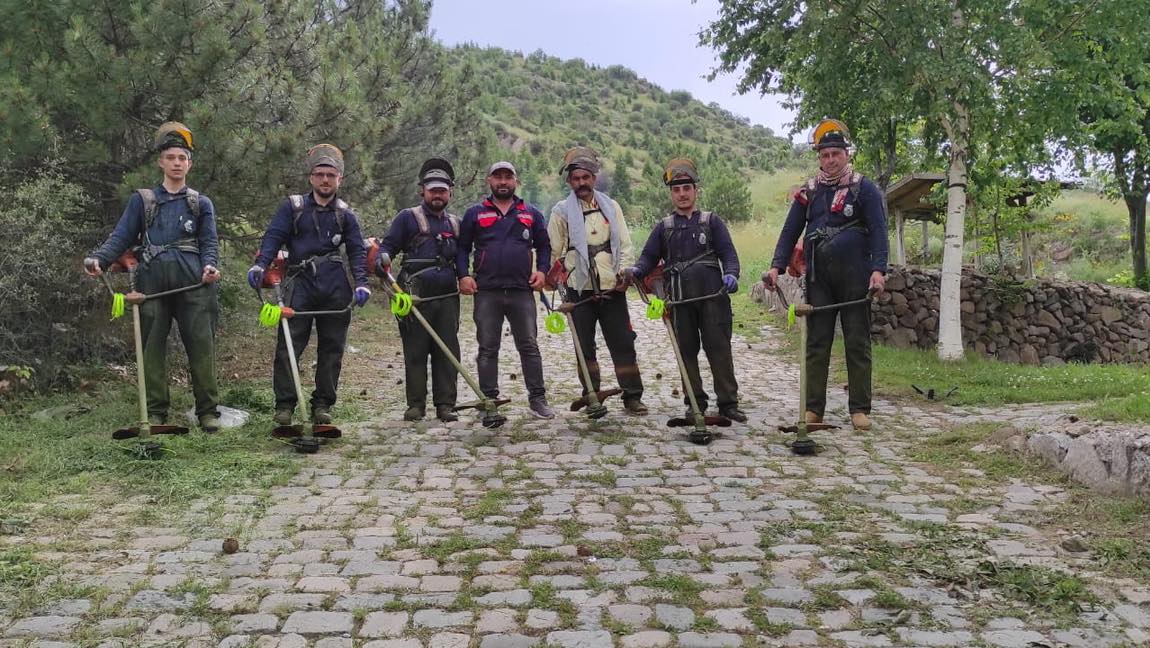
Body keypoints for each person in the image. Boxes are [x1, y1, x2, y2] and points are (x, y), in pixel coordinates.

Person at [84, 122, 222, 432]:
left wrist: (210, 266)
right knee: (151, 349)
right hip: (151, 283)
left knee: (201, 347)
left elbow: (210, 244)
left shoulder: (201, 203)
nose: (176, 163)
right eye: (171, 157)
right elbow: (120, 237)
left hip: (194, 284)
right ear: (160, 162)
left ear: (189, 163)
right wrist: (100, 259)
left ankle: (208, 412)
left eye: (182, 158)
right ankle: (156, 412)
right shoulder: (143, 200)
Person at [762, 121, 888, 431]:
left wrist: (878, 270)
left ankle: (859, 409)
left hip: (855, 275)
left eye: (835, 154)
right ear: (819, 157)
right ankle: (813, 409)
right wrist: (776, 266)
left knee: (857, 341)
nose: (830, 160)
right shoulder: (810, 191)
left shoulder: (864, 188)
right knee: (817, 342)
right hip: (819, 277)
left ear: (846, 154)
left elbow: (879, 231)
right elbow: (791, 230)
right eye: (824, 155)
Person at [248, 144, 370, 426]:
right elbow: (273, 237)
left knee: (332, 347)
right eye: (320, 174)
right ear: (311, 177)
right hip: (298, 283)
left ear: (339, 178)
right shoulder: (293, 208)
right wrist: (260, 264)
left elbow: (357, 251)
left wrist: (362, 283)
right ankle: (285, 405)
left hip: (335, 285)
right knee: (289, 344)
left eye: (331, 174)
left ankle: (323, 404)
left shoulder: (345, 214)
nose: (325, 180)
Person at [623, 158, 746, 423]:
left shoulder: (712, 222)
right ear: (671, 193)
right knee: (686, 352)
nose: (682, 194)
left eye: (686, 188)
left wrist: (731, 275)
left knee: (719, 350)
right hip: (679, 300)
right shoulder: (664, 228)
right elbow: (647, 258)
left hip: (714, 298)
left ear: (695, 191)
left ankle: (728, 403)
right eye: (676, 190)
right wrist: (636, 271)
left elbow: (730, 255)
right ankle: (695, 402)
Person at [548, 146, 647, 415]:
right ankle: (591, 394)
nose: (581, 183)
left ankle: (632, 395)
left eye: (586, 177)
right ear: (569, 181)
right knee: (584, 345)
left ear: (594, 177)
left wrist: (625, 272)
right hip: (578, 290)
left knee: (623, 342)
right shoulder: (560, 213)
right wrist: (554, 279)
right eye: (576, 178)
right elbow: (554, 252)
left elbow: (625, 244)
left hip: (612, 287)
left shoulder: (611, 206)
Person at [457, 161, 553, 425]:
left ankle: (538, 399)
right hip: (487, 291)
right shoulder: (475, 213)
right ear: (489, 181)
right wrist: (463, 275)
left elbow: (544, 246)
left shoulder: (531, 213)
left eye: (507, 177)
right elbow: (462, 247)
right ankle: (489, 401)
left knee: (529, 346)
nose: (502, 182)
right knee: (488, 348)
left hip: (522, 290)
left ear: (516, 182)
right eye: (497, 177)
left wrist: (542, 271)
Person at [377, 158, 462, 423]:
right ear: (422, 190)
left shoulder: (457, 224)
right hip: (413, 296)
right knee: (415, 350)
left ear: (450, 192)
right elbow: (388, 246)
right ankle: (416, 405)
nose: (437, 194)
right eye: (432, 189)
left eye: (442, 190)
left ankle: (445, 404)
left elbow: (466, 257)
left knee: (447, 349)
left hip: (448, 295)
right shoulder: (407, 218)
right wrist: (383, 257)